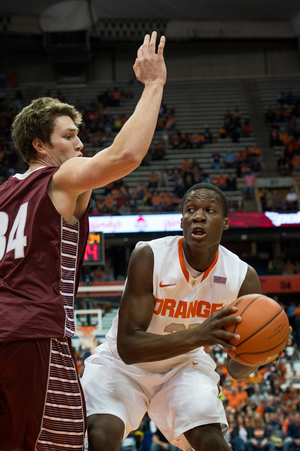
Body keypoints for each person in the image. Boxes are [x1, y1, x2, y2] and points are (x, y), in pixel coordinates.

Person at [0, 31, 167, 451]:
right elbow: (125, 156)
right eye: (69, 136)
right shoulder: (59, 177)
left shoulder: (3, 194)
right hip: (32, 334)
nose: (80, 144)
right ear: (39, 146)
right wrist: (153, 85)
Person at [82, 182, 290, 451]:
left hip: (182, 366)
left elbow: (236, 370)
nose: (198, 216)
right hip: (121, 365)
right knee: (101, 435)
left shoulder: (242, 278)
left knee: (210, 440)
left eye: (209, 210)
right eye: (191, 210)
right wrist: (199, 334)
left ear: (225, 223)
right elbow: (129, 348)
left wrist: (259, 352)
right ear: (181, 222)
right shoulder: (150, 256)